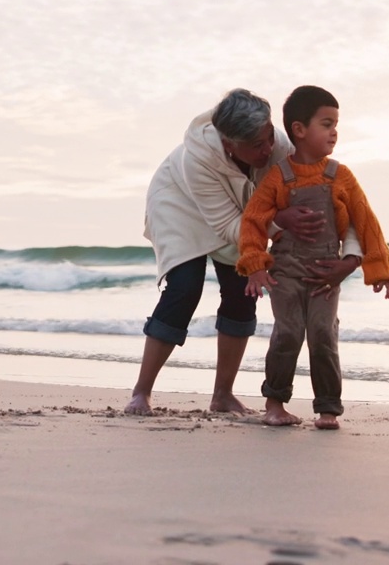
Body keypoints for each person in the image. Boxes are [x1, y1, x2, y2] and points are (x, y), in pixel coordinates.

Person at [125, 88, 365, 416]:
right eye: (256, 145)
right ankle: (142, 391)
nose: (268, 149)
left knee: (241, 290)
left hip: (247, 213)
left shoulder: (279, 147)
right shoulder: (198, 160)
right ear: (230, 144)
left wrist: (345, 254)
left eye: (268, 137)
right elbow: (228, 225)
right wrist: (279, 221)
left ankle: (222, 395)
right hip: (179, 206)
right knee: (185, 288)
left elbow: (314, 199)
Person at [237, 85, 389, 430]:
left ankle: (327, 408)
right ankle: (275, 403)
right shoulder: (279, 176)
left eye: (335, 123)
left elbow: (365, 220)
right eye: (326, 123)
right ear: (299, 129)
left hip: (328, 269)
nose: (334, 131)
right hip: (286, 268)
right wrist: (254, 264)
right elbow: (253, 220)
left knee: (323, 333)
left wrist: (374, 267)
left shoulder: (341, 176)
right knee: (289, 332)